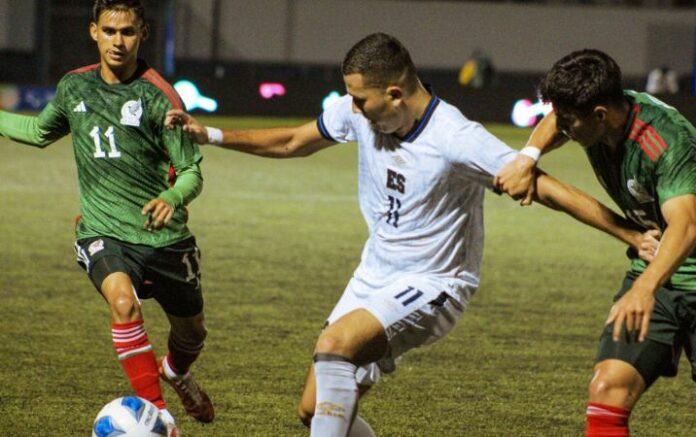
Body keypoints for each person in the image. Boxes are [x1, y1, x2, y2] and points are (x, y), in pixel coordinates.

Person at [165, 33, 658, 436]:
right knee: (316, 411)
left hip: (436, 282)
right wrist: (212, 135)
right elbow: (293, 140)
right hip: (374, 274)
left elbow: (545, 186)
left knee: (335, 345)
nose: (353, 108)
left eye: (361, 99)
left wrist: (630, 235)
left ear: (395, 94)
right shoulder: (360, 112)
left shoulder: (455, 138)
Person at [495, 48, 696, 437]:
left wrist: (643, 289)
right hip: (656, 269)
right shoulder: (596, 116)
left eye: (570, 122)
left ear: (599, 115)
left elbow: (686, 228)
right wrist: (527, 157)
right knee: (607, 388)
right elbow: (555, 119)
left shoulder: (666, 141)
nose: (563, 128)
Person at [0, 1, 214, 434]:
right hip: (102, 230)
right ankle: (160, 414)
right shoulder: (74, 87)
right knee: (122, 304)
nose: (119, 41)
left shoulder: (159, 96)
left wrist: (172, 196)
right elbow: (39, 132)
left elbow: (191, 171)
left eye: (128, 32)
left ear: (143, 35)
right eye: (110, 31)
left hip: (163, 238)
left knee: (192, 333)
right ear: (94, 32)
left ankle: (176, 372)